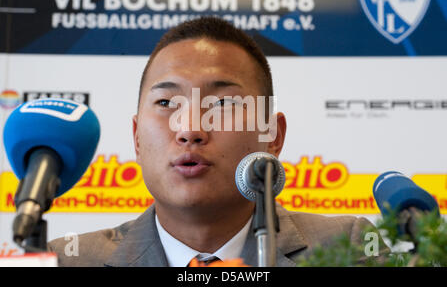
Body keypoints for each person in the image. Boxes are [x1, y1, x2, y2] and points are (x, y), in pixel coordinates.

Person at [48, 16, 384, 267]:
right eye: (167, 104)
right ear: (136, 137)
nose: (190, 129)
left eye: (222, 104)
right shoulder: (65, 261)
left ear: (273, 135)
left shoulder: (348, 248)